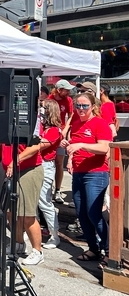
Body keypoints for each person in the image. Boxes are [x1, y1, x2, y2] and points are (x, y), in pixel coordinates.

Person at [62, 92, 112, 269]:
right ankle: (93, 249)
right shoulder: (75, 124)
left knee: (94, 212)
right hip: (78, 172)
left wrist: (81, 145)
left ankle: (109, 251)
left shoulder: (100, 123)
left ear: (92, 106)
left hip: (96, 173)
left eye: (84, 106)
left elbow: (104, 147)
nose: (81, 109)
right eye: (78, 106)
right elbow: (75, 146)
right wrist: (69, 153)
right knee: (82, 213)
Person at [2, 140, 45, 266]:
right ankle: (18, 244)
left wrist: (15, 160)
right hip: (12, 171)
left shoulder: (31, 121)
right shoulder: (7, 120)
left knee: (27, 214)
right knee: (11, 212)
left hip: (28, 170)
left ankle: (38, 251)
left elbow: (36, 146)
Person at [38, 100, 63, 249]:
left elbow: (40, 146)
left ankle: (55, 235)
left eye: (43, 108)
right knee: (33, 202)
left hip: (46, 166)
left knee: (44, 201)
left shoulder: (54, 130)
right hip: (36, 165)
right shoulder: (42, 128)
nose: (40, 111)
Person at [48, 79, 74, 204]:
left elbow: (71, 115)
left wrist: (66, 131)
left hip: (62, 134)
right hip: (51, 133)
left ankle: (57, 190)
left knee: (59, 162)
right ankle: (48, 189)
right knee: (48, 162)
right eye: (66, 90)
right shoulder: (49, 99)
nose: (68, 92)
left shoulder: (68, 100)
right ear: (59, 90)